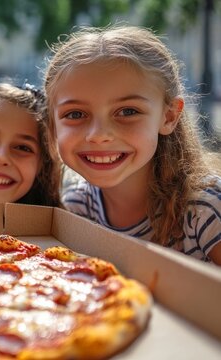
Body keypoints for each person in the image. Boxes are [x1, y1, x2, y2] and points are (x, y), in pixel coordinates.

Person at [43, 25, 221, 264]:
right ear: (53, 125)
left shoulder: (208, 209)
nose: (99, 135)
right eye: (75, 114)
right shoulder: (77, 208)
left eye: (127, 111)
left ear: (168, 117)